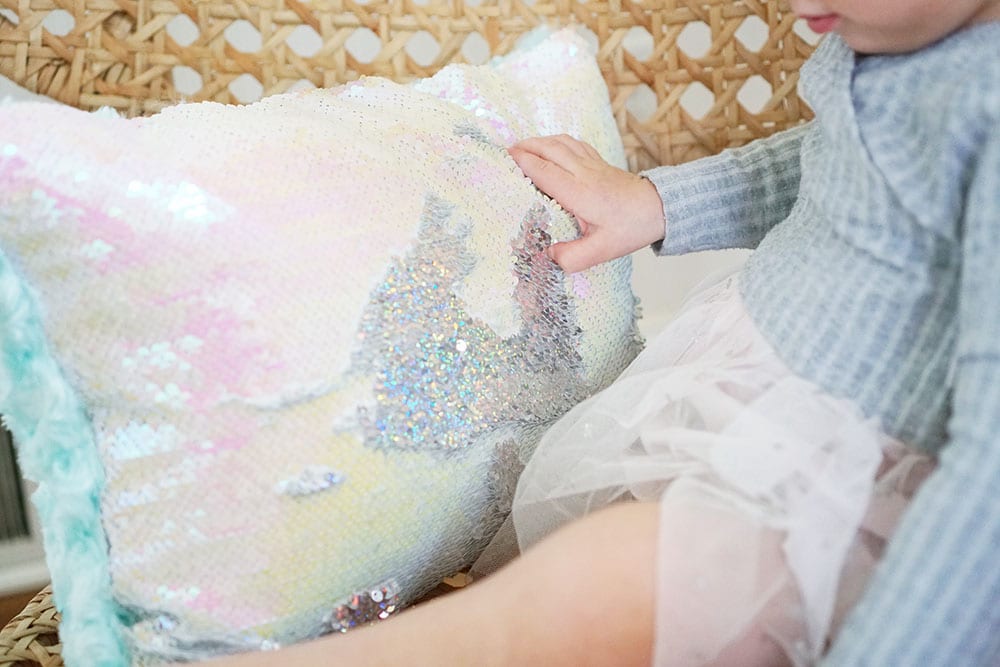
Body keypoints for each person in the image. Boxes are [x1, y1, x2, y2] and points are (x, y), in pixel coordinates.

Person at [211, 0, 1000, 664]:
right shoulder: (893, 32)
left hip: (854, 505)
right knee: (559, 599)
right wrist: (659, 203)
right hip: (745, 406)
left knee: (593, 591)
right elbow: (839, 162)